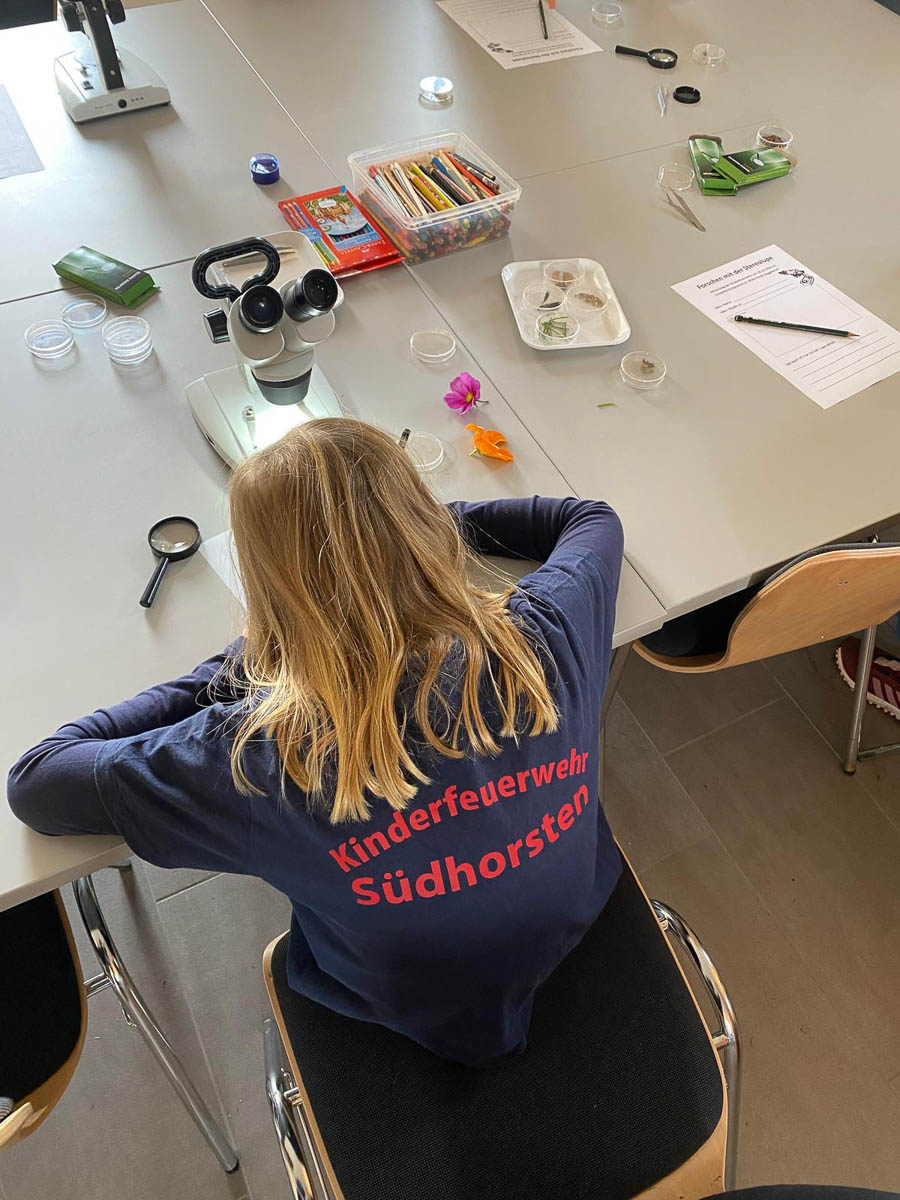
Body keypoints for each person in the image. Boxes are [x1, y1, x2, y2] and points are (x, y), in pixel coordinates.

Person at [7, 418, 624, 1067]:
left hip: (402, 1001)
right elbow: (590, 520)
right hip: (573, 916)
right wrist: (401, 531)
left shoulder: (255, 759)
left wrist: (237, 667)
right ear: (420, 519)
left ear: (268, 588)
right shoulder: (544, 637)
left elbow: (38, 780)